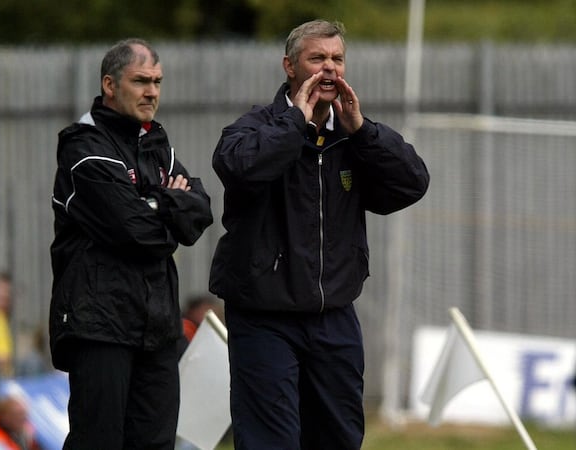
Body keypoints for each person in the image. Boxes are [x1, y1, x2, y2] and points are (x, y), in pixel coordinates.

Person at [209, 20, 430, 449]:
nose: (329, 69)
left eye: (337, 59)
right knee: (270, 441)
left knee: (339, 437)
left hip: (334, 317)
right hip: (264, 317)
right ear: (289, 66)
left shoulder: (353, 137)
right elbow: (238, 168)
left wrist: (364, 132)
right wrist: (295, 124)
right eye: (317, 59)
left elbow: (412, 182)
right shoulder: (253, 128)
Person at [49, 38, 214, 450]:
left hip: (157, 326)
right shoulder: (84, 147)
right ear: (110, 84)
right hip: (99, 324)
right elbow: (134, 230)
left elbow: (200, 213)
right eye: (141, 81)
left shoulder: (156, 143)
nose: (152, 91)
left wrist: (153, 204)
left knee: (157, 444)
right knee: (99, 442)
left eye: (157, 81)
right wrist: (165, 203)